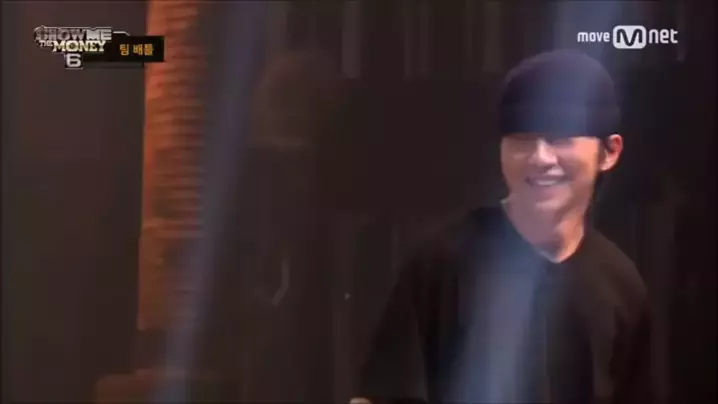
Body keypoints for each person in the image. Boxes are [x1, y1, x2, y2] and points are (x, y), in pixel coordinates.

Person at [352, 49, 653, 404]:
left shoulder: (620, 285)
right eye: (522, 139)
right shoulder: (443, 265)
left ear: (609, 152)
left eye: (559, 138)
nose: (540, 157)